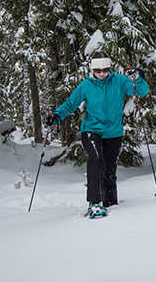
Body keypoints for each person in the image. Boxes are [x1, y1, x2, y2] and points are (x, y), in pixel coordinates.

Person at [47, 52, 149, 218]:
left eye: (105, 69)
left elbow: (142, 92)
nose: (101, 73)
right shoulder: (86, 85)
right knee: (96, 158)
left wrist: (137, 78)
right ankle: (94, 203)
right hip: (91, 129)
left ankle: (110, 202)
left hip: (113, 132)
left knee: (110, 167)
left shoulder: (120, 81)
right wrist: (56, 115)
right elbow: (71, 103)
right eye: (97, 70)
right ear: (92, 69)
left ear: (110, 68)